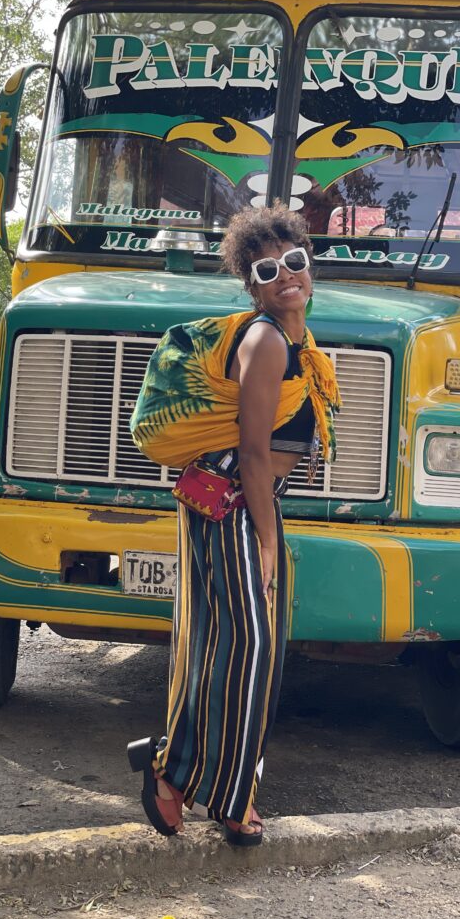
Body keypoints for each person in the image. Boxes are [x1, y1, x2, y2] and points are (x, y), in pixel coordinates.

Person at [127, 203, 340, 847]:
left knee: (234, 647)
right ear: (250, 282)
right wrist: (268, 539)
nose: (286, 276)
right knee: (247, 647)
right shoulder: (266, 340)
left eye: (295, 262)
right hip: (231, 503)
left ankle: (189, 780)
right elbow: (252, 451)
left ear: (310, 263)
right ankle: (200, 784)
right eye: (267, 269)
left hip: (241, 502)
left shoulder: (296, 341)